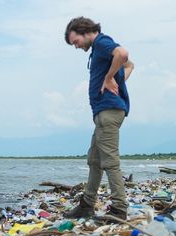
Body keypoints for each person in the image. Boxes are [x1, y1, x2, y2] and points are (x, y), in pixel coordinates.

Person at [63, 17, 134, 220]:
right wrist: (115, 80)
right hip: (105, 111)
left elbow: (123, 54)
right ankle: (87, 204)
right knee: (94, 160)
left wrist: (109, 78)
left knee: (109, 162)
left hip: (108, 112)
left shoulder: (101, 43)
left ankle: (120, 209)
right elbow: (129, 65)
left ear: (84, 31)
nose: (76, 46)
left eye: (75, 41)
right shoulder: (99, 49)